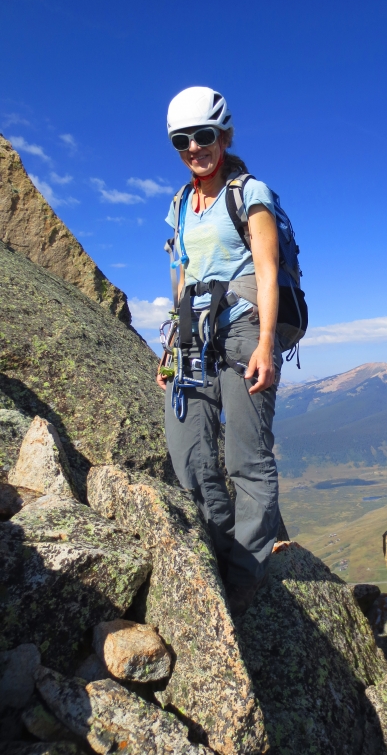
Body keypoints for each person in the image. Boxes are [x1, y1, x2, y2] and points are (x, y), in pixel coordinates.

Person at [157, 86, 282, 616]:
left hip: (245, 328)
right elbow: (180, 277)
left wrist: (268, 345)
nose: (193, 148)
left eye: (203, 136)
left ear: (224, 136)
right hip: (194, 333)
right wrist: (171, 346)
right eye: (182, 141)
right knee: (187, 448)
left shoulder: (250, 192)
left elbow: (268, 268)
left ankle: (245, 579)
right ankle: (220, 544)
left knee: (246, 459)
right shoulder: (181, 205)